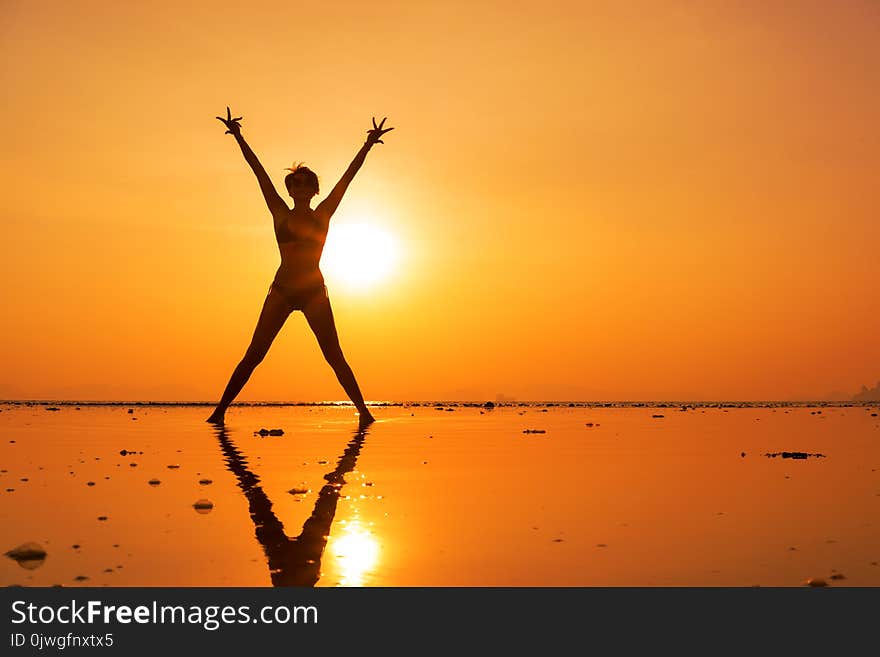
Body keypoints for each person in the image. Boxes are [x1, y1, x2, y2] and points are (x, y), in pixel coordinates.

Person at [207, 107, 393, 425]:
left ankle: (364, 413)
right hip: (281, 290)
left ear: (315, 190)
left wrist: (367, 145)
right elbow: (259, 173)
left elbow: (348, 179)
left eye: (309, 185)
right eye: (297, 184)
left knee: (334, 355)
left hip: (312, 292)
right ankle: (219, 413)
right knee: (254, 354)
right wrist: (239, 137)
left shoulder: (322, 214)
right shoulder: (280, 211)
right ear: (290, 189)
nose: (303, 189)